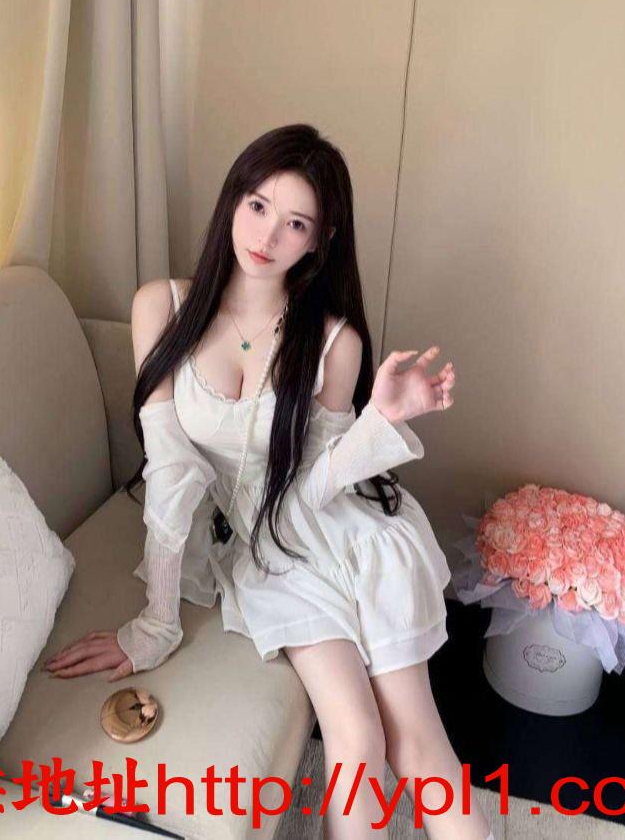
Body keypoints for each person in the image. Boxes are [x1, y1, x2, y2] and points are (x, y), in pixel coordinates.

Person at [43, 124, 493, 839]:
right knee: (358, 739)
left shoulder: (336, 341)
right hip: (270, 552)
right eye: (257, 206)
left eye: (295, 223)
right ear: (233, 200)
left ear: (319, 240)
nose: (267, 235)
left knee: (417, 742)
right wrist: (155, 623)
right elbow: (171, 471)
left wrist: (381, 419)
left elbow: (317, 485)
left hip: (350, 532)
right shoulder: (161, 307)